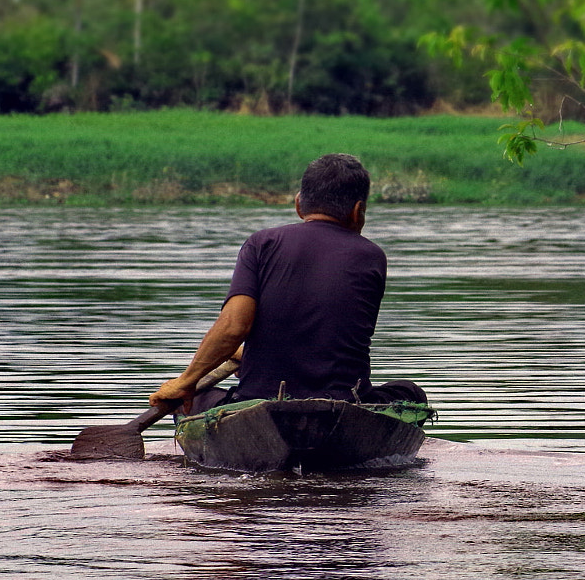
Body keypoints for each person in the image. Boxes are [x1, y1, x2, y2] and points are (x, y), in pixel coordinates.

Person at [149, 153, 426, 414]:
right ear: (358, 211)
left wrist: (185, 382)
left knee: (192, 399)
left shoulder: (261, 244)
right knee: (411, 394)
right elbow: (336, 336)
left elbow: (234, 326)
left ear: (298, 204)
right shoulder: (372, 256)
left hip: (259, 402)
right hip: (346, 402)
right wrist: (253, 354)